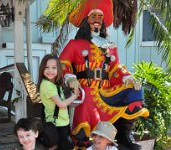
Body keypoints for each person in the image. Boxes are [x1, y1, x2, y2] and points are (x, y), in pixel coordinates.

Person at [59, 0, 149, 149]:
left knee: (135, 90)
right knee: (87, 96)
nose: (97, 20)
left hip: (106, 91)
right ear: (86, 20)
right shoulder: (74, 45)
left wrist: (127, 76)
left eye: (100, 17)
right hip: (85, 88)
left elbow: (115, 67)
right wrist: (70, 77)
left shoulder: (110, 47)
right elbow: (63, 63)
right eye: (93, 16)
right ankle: (83, 141)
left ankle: (124, 137)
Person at [37, 54, 79, 150]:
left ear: (58, 69)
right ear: (42, 69)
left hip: (60, 123)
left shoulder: (54, 84)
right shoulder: (47, 85)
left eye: (53, 68)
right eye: (47, 67)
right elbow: (61, 104)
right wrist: (74, 96)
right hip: (58, 125)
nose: (50, 70)